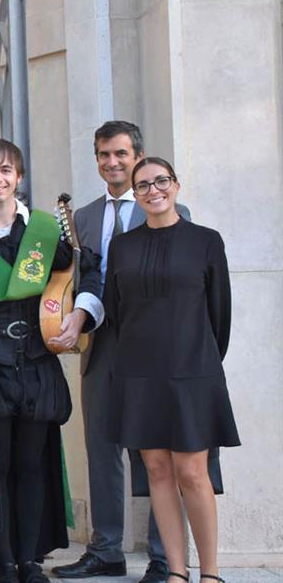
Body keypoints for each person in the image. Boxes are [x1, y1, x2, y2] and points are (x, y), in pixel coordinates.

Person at [0, 140, 102, 583]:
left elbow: (73, 279)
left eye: (6, 170)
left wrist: (75, 320)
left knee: (32, 464)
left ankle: (30, 560)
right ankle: (4, 562)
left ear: (20, 177)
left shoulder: (45, 233)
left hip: (34, 364)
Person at [54, 122, 189, 582]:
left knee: (159, 450)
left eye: (120, 154)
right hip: (101, 343)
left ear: (139, 156)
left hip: (154, 349)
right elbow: (74, 279)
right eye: (103, 155)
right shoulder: (84, 217)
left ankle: (162, 555)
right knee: (102, 445)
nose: (111, 163)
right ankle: (106, 549)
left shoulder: (170, 208)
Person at [104, 158, 238, 583]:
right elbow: (115, 311)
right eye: (142, 185)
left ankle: (211, 573)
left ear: (176, 186)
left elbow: (220, 313)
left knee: (193, 472)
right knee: (157, 469)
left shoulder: (206, 241)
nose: (153, 190)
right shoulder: (122, 246)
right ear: (136, 194)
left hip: (192, 370)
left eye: (161, 181)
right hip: (138, 371)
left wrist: (197, 358)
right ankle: (176, 573)